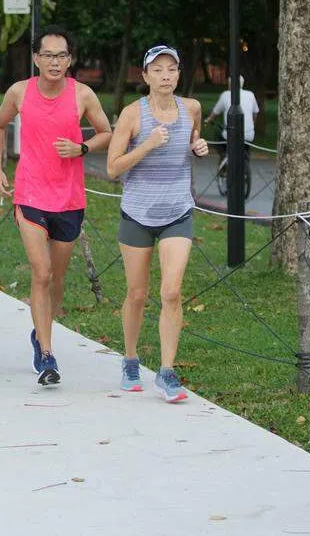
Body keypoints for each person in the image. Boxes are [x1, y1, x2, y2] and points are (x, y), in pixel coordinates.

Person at [0, 26, 112, 386]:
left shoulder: (83, 94)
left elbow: (106, 132)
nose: (54, 62)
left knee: (56, 279)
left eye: (61, 56)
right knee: (41, 273)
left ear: (69, 60)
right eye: (48, 55)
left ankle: (40, 330)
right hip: (30, 194)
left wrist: (81, 148)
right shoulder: (19, 92)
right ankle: (46, 354)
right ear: (36, 58)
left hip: (69, 198)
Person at [106, 44, 208, 403]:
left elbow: (192, 140)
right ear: (146, 75)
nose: (166, 76)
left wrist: (198, 147)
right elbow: (112, 168)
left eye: (172, 69)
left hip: (177, 213)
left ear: (178, 74)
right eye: (158, 70)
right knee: (137, 294)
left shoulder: (191, 108)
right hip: (137, 214)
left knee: (172, 292)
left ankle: (166, 371)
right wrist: (147, 145)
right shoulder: (132, 114)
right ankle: (131, 359)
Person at [204, 74, 260, 163]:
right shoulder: (250, 94)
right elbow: (255, 113)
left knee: (218, 133)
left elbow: (215, 113)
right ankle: (246, 159)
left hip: (230, 135)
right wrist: (252, 123)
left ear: (230, 84)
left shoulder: (225, 95)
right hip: (249, 135)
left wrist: (208, 120)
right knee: (246, 144)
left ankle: (224, 155)